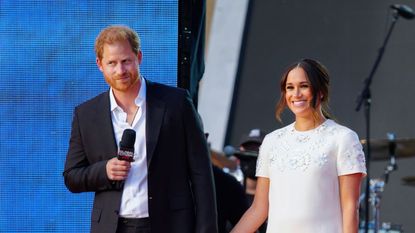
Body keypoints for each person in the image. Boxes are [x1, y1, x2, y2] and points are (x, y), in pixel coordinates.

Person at [63, 25, 217, 233]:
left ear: (139, 57)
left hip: (170, 225)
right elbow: (72, 176)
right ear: (100, 64)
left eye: (126, 61)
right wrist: (105, 170)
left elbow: (202, 174)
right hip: (112, 227)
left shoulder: (176, 103)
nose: (120, 70)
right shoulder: (87, 114)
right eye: (112, 63)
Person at [231, 58, 367, 233]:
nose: (296, 94)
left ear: (321, 91)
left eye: (304, 86)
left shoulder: (343, 138)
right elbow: (259, 209)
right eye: (290, 87)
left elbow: (350, 208)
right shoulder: (272, 141)